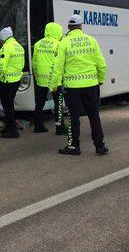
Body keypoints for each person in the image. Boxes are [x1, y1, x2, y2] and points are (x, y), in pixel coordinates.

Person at [49, 14, 108, 156]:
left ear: (69, 27)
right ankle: (99, 146)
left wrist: (54, 85)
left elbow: (57, 66)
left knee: (73, 117)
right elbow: (101, 64)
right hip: (91, 85)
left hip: (72, 87)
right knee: (94, 115)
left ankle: (74, 146)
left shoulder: (64, 42)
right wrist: (100, 79)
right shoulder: (92, 41)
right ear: (81, 26)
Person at [32, 22, 67, 135]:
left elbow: (34, 63)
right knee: (58, 104)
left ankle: (38, 125)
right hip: (54, 80)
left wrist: (37, 77)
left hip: (41, 80)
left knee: (39, 103)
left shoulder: (37, 44)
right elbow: (61, 64)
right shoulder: (59, 44)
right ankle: (59, 127)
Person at [0, 26, 25, 138]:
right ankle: (10, 126)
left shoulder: (5, 48)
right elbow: (21, 64)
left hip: (6, 81)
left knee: (7, 106)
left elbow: (1, 66)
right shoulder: (19, 47)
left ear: (3, 38)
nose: (1, 42)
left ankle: (13, 130)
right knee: (10, 104)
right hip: (16, 80)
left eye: (1, 39)